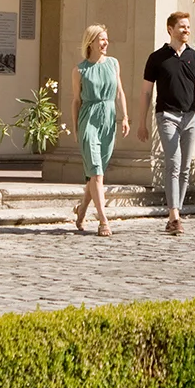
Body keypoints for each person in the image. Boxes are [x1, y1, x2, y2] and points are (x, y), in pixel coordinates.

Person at [138, 10, 195, 236]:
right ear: (170, 29)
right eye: (182, 27)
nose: (186, 30)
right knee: (174, 163)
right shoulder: (157, 58)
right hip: (167, 116)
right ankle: (174, 216)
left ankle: (176, 213)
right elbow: (146, 93)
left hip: (190, 116)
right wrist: (142, 121)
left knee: (185, 168)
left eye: (188, 27)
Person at [64, 23, 128, 236]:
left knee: (95, 174)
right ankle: (103, 221)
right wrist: (75, 128)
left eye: (106, 39)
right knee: (97, 173)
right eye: (101, 39)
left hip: (108, 119)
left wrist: (125, 117)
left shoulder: (113, 64)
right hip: (88, 120)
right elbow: (76, 101)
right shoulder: (79, 70)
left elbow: (119, 92)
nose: (105, 42)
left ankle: (82, 210)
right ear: (90, 42)